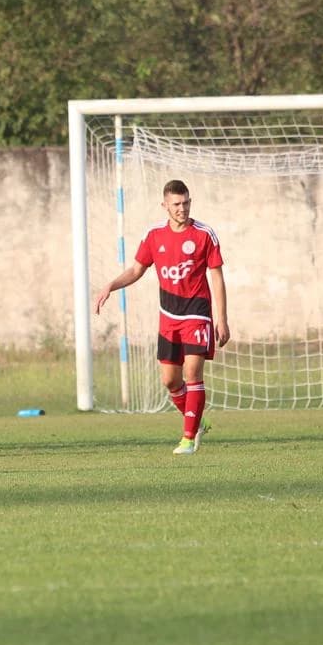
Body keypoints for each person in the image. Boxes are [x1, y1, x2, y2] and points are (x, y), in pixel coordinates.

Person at [95, 180, 230, 455]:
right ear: (165, 205)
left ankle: (188, 439)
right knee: (170, 381)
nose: (183, 208)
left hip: (197, 313)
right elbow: (136, 270)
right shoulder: (154, 235)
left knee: (193, 373)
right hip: (168, 316)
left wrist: (222, 318)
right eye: (177, 204)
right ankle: (195, 421)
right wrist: (110, 285)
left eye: (186, 202)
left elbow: (216, 277)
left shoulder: (204, 234)